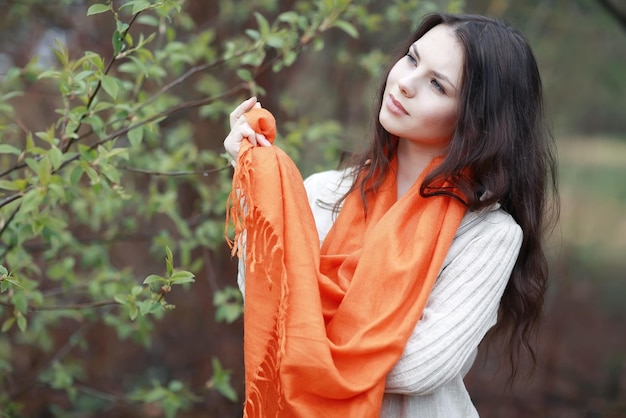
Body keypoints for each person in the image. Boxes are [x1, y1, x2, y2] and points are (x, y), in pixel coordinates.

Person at [224, 12, 558, 418]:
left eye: (437, 84)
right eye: (413, 59)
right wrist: (255, 183)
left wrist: (302, 338)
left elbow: (422, 367)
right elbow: (261, 300)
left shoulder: (487, 234)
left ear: (477, 122)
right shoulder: (323, 191)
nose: (404, 82)